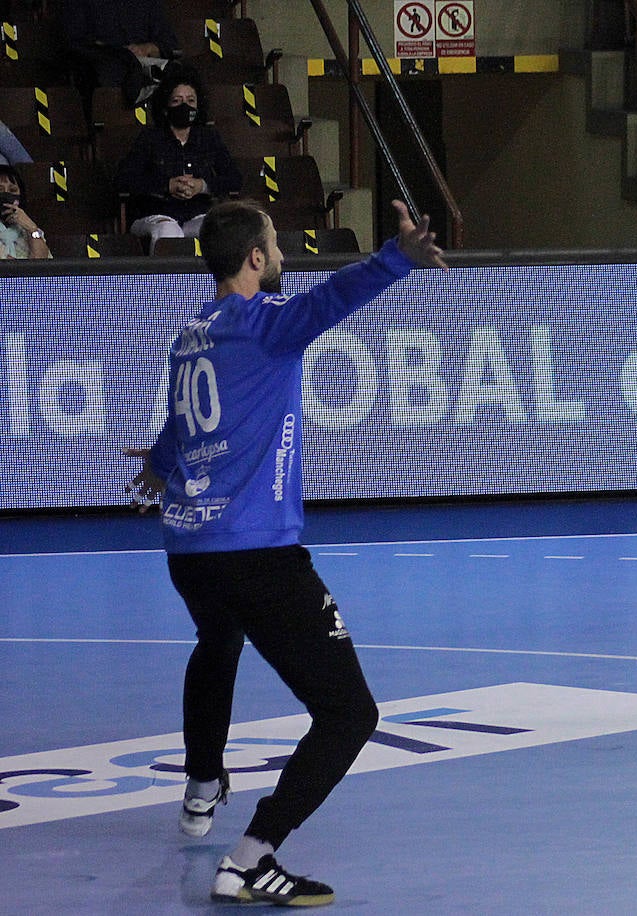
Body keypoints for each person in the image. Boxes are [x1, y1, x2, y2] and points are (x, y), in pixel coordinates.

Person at [124, 199, 446, 904]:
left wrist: (161, 462)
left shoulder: (190, 335)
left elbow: (181, 422)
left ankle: (203, 781)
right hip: (254, 553)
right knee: (350, 715)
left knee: (218, 640)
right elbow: (333, 299)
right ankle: (250, 857)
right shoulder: (265, 325)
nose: (283, 254)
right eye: (275, 243)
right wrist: (399, 257)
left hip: (188, 545)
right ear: (254, 260)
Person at [115, 66, 242, 252]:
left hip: (196, 213)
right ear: (166, 108)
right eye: (177, 101)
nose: (185, 106)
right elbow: (124, 180)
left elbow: (234, 178)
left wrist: (202, 185)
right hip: (156, 214)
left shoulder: (208, 138)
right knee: (169, 231)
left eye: (191, 100)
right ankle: (169, 281)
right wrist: (167, 185)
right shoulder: (150, 138)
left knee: (217, 229)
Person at [64, 0, 180, 106]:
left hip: (145, 63)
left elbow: (170, 43)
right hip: (107, 65)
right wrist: (121, 54)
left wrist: (146, 48)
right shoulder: (80, 4)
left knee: (183, 74)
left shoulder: (148, 4)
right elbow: (75, 43)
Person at [0, 163, 49, 260]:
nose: (6, 195)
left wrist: (32, 229)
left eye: (12, 190)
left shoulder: (28, 230)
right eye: (0, 190)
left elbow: (41, 265)